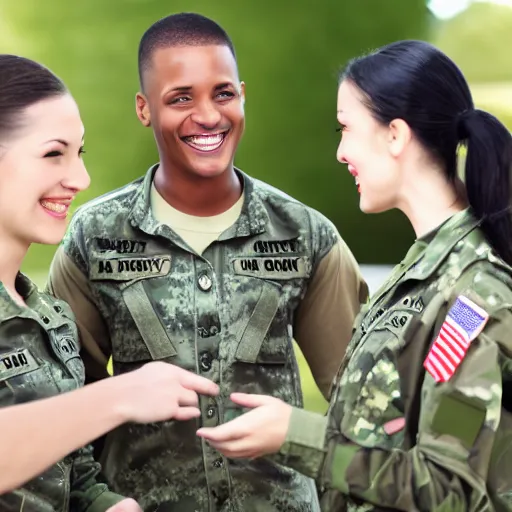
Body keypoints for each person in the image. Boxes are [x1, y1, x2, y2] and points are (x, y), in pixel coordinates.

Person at [46, 12, 369, 512]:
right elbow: (64, 409)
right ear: (144, 108)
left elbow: (364, 406)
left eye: (222, 94)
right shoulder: (94, 238)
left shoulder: (307, 235)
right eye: (180, 98)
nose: (208, 116)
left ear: (242, 94)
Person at [196, 40, 512, 511]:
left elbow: (449, 488)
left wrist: (296, 435)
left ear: (396, 135)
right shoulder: (424, 272)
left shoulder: (473, 296)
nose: (341, 152)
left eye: (346, 128)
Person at [0, 53, 219, 511]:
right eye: (53, 154)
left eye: (79, 153)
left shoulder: (51, 318)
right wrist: (117, 396)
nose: (80, 178)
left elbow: (71, 479)